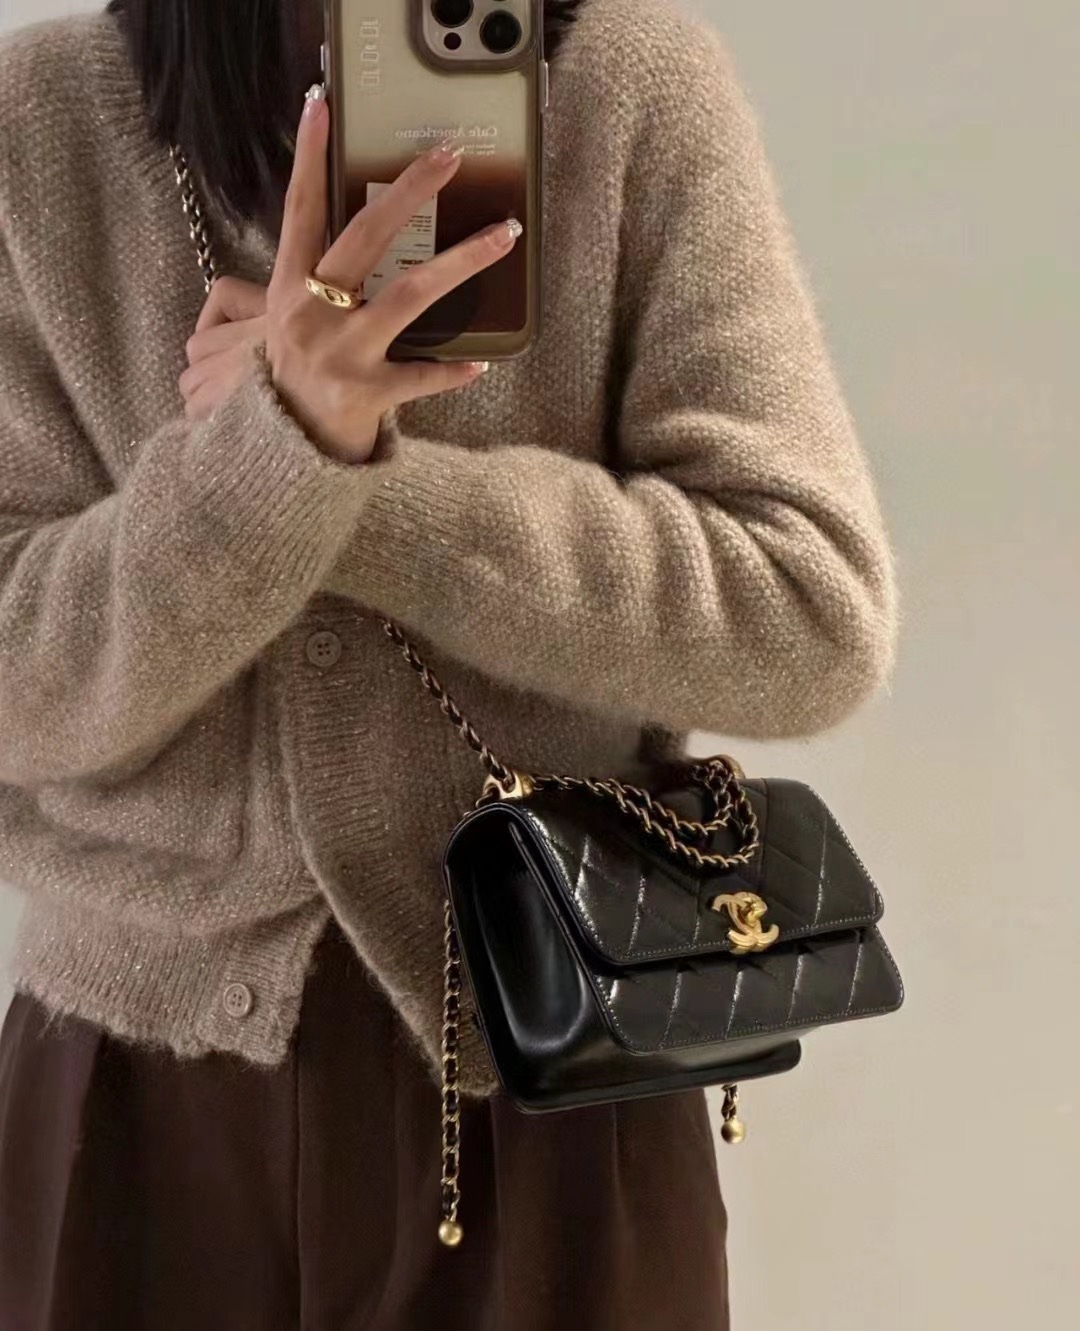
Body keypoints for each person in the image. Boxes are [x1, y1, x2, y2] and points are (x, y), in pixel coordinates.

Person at [0, 0, 898, 1326]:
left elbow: (808, 610)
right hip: (135, 1103)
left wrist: (343, 480)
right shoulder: (43, 120)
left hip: (559, 1059)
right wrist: (282, 448)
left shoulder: (629, 86)